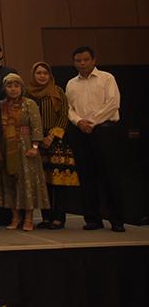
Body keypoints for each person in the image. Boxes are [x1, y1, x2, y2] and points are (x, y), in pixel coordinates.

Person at [66, 46, 125, 232]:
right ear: (74, 63)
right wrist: (79, 122)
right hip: (81, 132)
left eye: (86, 60)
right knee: (87, 176)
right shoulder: (71, 84)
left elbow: (113, 103)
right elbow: (69, 108)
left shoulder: (106, 78)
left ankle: (117, 220)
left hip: (104, 131)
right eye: (78, 61)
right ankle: (93, 219)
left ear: (93, 60)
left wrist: (91, 122)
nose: (82, 63)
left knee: (110, 176)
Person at [24, 62, 77, 230]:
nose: (42, 76)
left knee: (58, 182)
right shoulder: (28, 94)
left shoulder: (58, 92)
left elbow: (63, 116)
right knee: (42, 182)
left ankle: (59, 217)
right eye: (38, 73)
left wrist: (51, 136)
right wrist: (37, 139)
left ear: (50, 75)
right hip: (35, 142)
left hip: (56, 141)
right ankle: (46, 217)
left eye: (45, 73)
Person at [0, 73, 49, 231]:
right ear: (5, 89)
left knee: (27, 182)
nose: (13, 89)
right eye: (9, 86)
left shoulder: (29, 104)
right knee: (10, 182)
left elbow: (36, 126)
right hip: (7, 147)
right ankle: (16, 217)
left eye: (16, 86)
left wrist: (35, 147)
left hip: (26, 147)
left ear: (21, 88)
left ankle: (29, 218)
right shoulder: (1, 105)